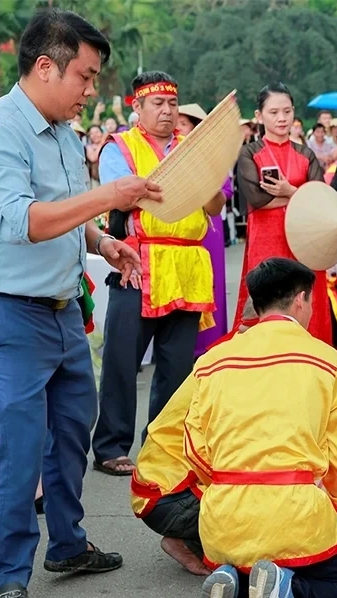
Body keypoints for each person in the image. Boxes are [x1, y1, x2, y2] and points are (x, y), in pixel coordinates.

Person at [0, 8, 162, 598]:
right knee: (20, 442)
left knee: (75, 422)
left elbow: (67, 214)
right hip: (5, 308)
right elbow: (22, 221)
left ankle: (68, 544)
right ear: (45, 67)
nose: (90, 90)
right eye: (85, 75)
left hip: (61, 305)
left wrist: (103, 243)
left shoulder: (64, 133)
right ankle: (7, 576)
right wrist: (110, 196)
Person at [185, 258, 337, 598]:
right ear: (302, 301)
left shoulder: (211, 361)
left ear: (255, 305)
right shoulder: (326, 360)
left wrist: (227, 485)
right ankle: (286, 594)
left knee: (252, 570)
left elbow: (192, 445)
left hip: (224, 517)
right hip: (293, 514)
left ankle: (234, 592)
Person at [93, 72, 225, 476]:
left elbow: (215, 206)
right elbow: (122, 192)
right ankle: (112, 446)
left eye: (172, 104)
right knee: (122, 359)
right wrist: (177, 186)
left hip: (186, 265)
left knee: (176, 364)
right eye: (157, 104)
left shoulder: (191, 150)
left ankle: (163, 445)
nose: (167, 111)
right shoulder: (121, 147)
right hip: (139, 262)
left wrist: (206, 187)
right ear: (138, 106)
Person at [130, 301, 259, 577]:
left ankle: (193, 537)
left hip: (159, 488)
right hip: (170, 494)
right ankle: (194, 535)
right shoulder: (241, 360)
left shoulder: (231, 348)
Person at [234, 83, 326, 339]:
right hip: (267, 239)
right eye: (274, 112)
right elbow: (256, 199)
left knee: (306, 303)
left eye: (287, 111)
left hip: (306, 242)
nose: (282, 118)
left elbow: (322, 201)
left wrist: (288, 191)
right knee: (265, 304)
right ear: (259, 115)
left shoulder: (306, 154)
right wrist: (299, 195)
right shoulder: (249, 153)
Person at [177, 103, 232, 356]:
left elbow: (225, 192)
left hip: (208, 229)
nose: (178, 128)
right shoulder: (167, 159)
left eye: (184, 124)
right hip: (177, 229)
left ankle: (209, 344)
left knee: (210, 283)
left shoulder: (213, 159)